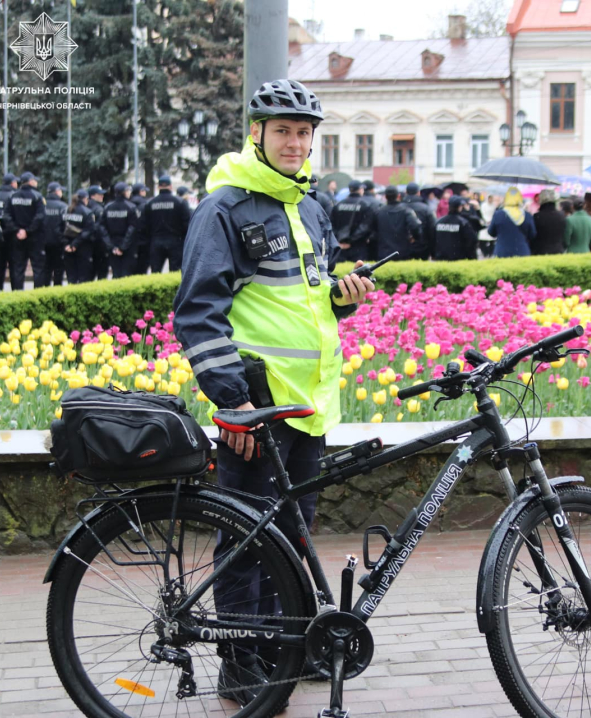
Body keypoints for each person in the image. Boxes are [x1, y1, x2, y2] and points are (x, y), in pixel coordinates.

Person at [173, 78, 374, 704]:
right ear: (255, 134)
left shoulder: (310, 206)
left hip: (306, 405)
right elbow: (197, 313)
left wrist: (340, 299)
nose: (295, 142)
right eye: (283, 130)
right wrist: (231, 400)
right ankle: (241, 665)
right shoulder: (226, 209)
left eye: (304, 132)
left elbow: (305, 302)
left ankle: (284, 649)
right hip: (255, 405)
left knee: (291, 533)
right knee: (246, 540)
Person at [2, 171, 47, 289]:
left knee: (17, 268)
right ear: (31, 181)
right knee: (38, 268)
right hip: (35, 238)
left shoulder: (12, 196)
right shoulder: (37, 197)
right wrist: (28, 231)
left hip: (16, 238)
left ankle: (18, 295)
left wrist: (17, 230)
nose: (36, 182)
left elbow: (6, 216)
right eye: (35, 180)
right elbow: (40, 217)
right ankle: (38, 296)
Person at [140, 175, 191, 273]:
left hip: (156, 241)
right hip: (176, 241)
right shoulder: (180, 202)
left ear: (158, 187)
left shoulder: (150, 203)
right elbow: (187, 225)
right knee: (175, 273)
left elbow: (144, 225)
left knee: (156, 272)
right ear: (171, 186)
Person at [372, 185, 422, 260]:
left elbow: (372, 230)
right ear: (398, 196)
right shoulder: (406, 211)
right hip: (402, 252)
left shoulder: (378, 212)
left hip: (383, 252)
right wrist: (415, 237)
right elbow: (415, 226)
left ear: (385, 197)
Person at [100, 182, 138, 278]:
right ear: (124, 192)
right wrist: (123, 247)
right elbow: (132, 228)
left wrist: (111, 246)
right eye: (128, 191)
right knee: (126, 274)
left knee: (116, 274)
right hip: (127, 246)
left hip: (113, 244)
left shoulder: (107, 207)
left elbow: (102, 227)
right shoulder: (131, 207)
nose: (130, 193)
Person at [330, 179, 373, 262]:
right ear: (360, 190)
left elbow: (331, 224)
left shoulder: (338, 205)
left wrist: (340, 240)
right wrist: (351, 241)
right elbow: (365, 227)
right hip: (358, 247)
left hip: (340, 246)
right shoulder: (365, 205)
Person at [487, 187, 536, 258]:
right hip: (522, 252)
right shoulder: (527, 215)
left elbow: (491, 232)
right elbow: (532, 234)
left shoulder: (498, 214)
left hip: (502, 253)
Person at [0, 172, 17, 291]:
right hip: (12, 236)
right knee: (14, 266)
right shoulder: (14, 196)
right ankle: (15, 291)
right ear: (12, 183)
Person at [62, 189, 96, 284]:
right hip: (83, 247)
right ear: (85, 199)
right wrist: (75, 244)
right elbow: (89, 231)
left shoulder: (66, 210)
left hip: (67, 247)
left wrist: (67, 244)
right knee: (83, 276)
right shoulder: (87, 212)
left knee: (71, 277)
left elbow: (60, 229)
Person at [434, 195, 478, 261]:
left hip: (441, 260)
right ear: (460, 207)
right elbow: (472, 240)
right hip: (459, 260)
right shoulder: (463, 222)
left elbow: (432, 239)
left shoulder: (439, 222)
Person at [402, 182, 436, 260]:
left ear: (406, 192)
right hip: (422, 248)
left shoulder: (399, 207)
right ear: (418, 193)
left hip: (402, 248)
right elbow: (432, 229)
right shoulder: (426, 208)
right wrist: (433, 251)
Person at [42, 182, 67, 286]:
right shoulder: (63, 206)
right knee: (58, 270)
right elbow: (66, 225)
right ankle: (57, 291)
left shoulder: (42, 205)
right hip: (58, 243)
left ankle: (46, 291)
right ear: (57, 192)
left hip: (43, 242)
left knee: (46, 269)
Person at [531, 190, 565, 255]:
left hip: (541, 252)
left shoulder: (537, 216)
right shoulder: (561, 216)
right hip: (559, 251)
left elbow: (533, 236)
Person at [88, 186, 109, 280]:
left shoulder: (87, 205)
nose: (102, 196)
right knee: (102, 272)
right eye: (99, 194)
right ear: (92, 196)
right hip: (99, 245)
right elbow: (100, 228)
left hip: (88, 245)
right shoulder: (98, 209)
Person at [130, 183, 150, 274]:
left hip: (130, 241)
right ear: (140, 192)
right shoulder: (146, 204)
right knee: (142, 268)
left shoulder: (128, 204)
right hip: (144, 240)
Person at [361, 180, 380, 260]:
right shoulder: (378, 203)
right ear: (372, 190)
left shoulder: (359, 202)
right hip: (373, 240)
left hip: (357, 241)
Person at [478, 194, 498, 258]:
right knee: (483, 238)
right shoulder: (483, 205)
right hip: (485, 222)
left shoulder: (493, 206)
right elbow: (482, 213)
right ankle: (485, 252)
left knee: (491, 239)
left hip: (491, 222)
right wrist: (486, 220)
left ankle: (490, 253)